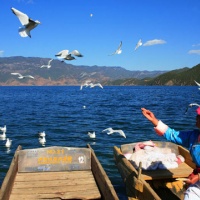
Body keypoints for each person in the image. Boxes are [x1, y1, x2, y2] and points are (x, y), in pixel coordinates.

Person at [141, 107, 200, 200]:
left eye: (199, 117)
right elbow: (173, 135)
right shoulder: (194, 136)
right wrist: (153, 120)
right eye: (197, 116)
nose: (196, 118)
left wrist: (198, 176)